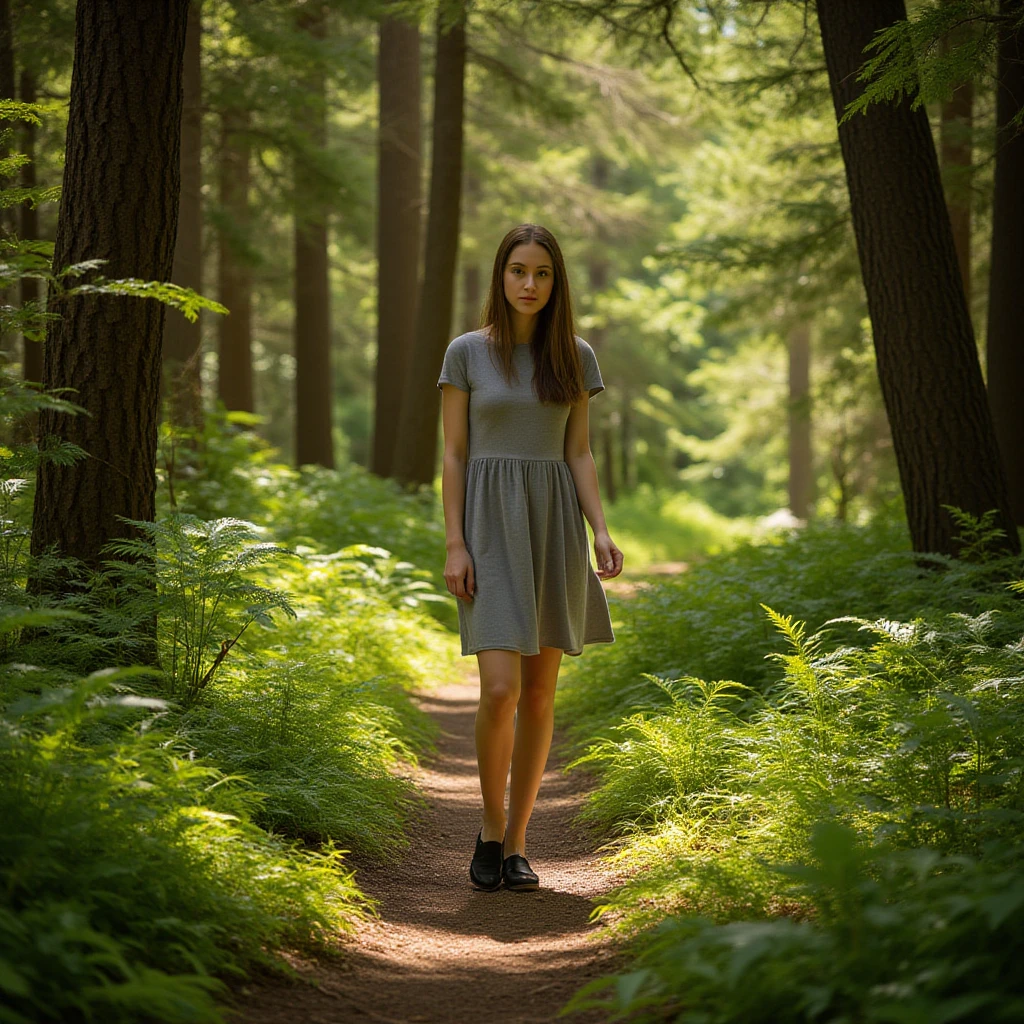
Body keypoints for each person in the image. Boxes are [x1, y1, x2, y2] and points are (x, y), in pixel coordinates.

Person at [436, 223, 624, 893]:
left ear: (556, 282)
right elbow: (454, 454)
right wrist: (455, 542)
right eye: (519, 270)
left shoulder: (575, 356)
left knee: (541, 694)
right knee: (501, 689)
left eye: (543, 273)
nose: (529, 284)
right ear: (501, 275)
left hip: (554, 526)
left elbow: (579, 451)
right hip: (488, 528)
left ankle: (517, 841)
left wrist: (601, 530)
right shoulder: (467, 353)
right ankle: (490, 826)